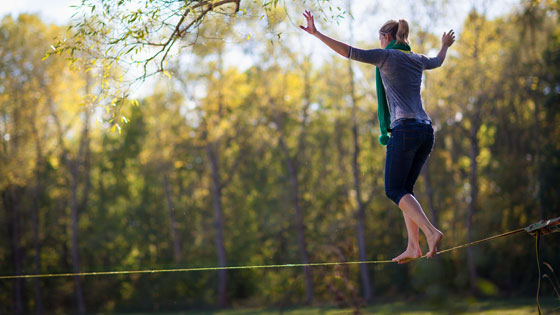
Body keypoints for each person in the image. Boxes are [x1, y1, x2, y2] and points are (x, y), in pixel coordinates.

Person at [299, 10, 455, 264]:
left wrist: (317, 33)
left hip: (405, 131)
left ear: (385, 37)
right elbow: (438, 61)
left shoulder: (385, 56)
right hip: (426, 131)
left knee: (394, 190)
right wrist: (444, 46)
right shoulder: (416, 58)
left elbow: (347, 51)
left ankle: (430, 232)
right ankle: (413, 246)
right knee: (406, 192)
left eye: (379, 38)